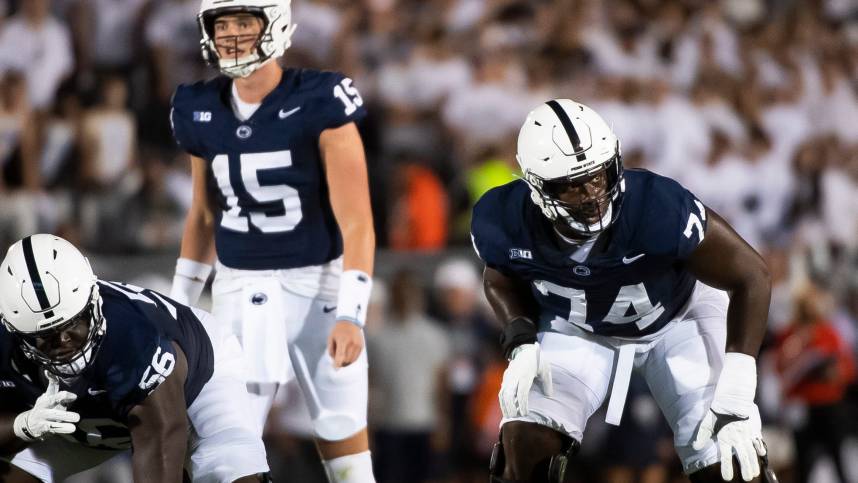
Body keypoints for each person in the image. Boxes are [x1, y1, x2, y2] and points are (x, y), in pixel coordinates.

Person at [470, 99, 778, 483]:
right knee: (526, 443)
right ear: (535, 187)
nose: (591, 195)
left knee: (731, 462)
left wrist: (736, 388)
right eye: (571, 187)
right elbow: (500, 277)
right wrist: (521, 339)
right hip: (578, 328)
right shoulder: (503, 218)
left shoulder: (657, 206)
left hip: (678, 318)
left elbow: (752, 274)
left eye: (598, 176)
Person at [168, 1, 376, 481]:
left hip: (317, 286)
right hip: (239, 287)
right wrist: (178, 309)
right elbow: (202, 215)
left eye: (244, 22)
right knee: (226, 444)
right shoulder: (197, 106)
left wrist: (352, 313)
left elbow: (358, 220)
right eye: (222, 24)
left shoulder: (320, 96)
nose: (232, 35)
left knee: (347, 450)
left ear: (275, 24)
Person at [0, 234, 269, 482]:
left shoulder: (134, 336)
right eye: (46, 334)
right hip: (79, 424)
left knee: (229, 469)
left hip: (194, 382)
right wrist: (21, 427)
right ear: (12, 328)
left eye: (74, 323)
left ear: (93, 300)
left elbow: (159, 442)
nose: (63, 340)